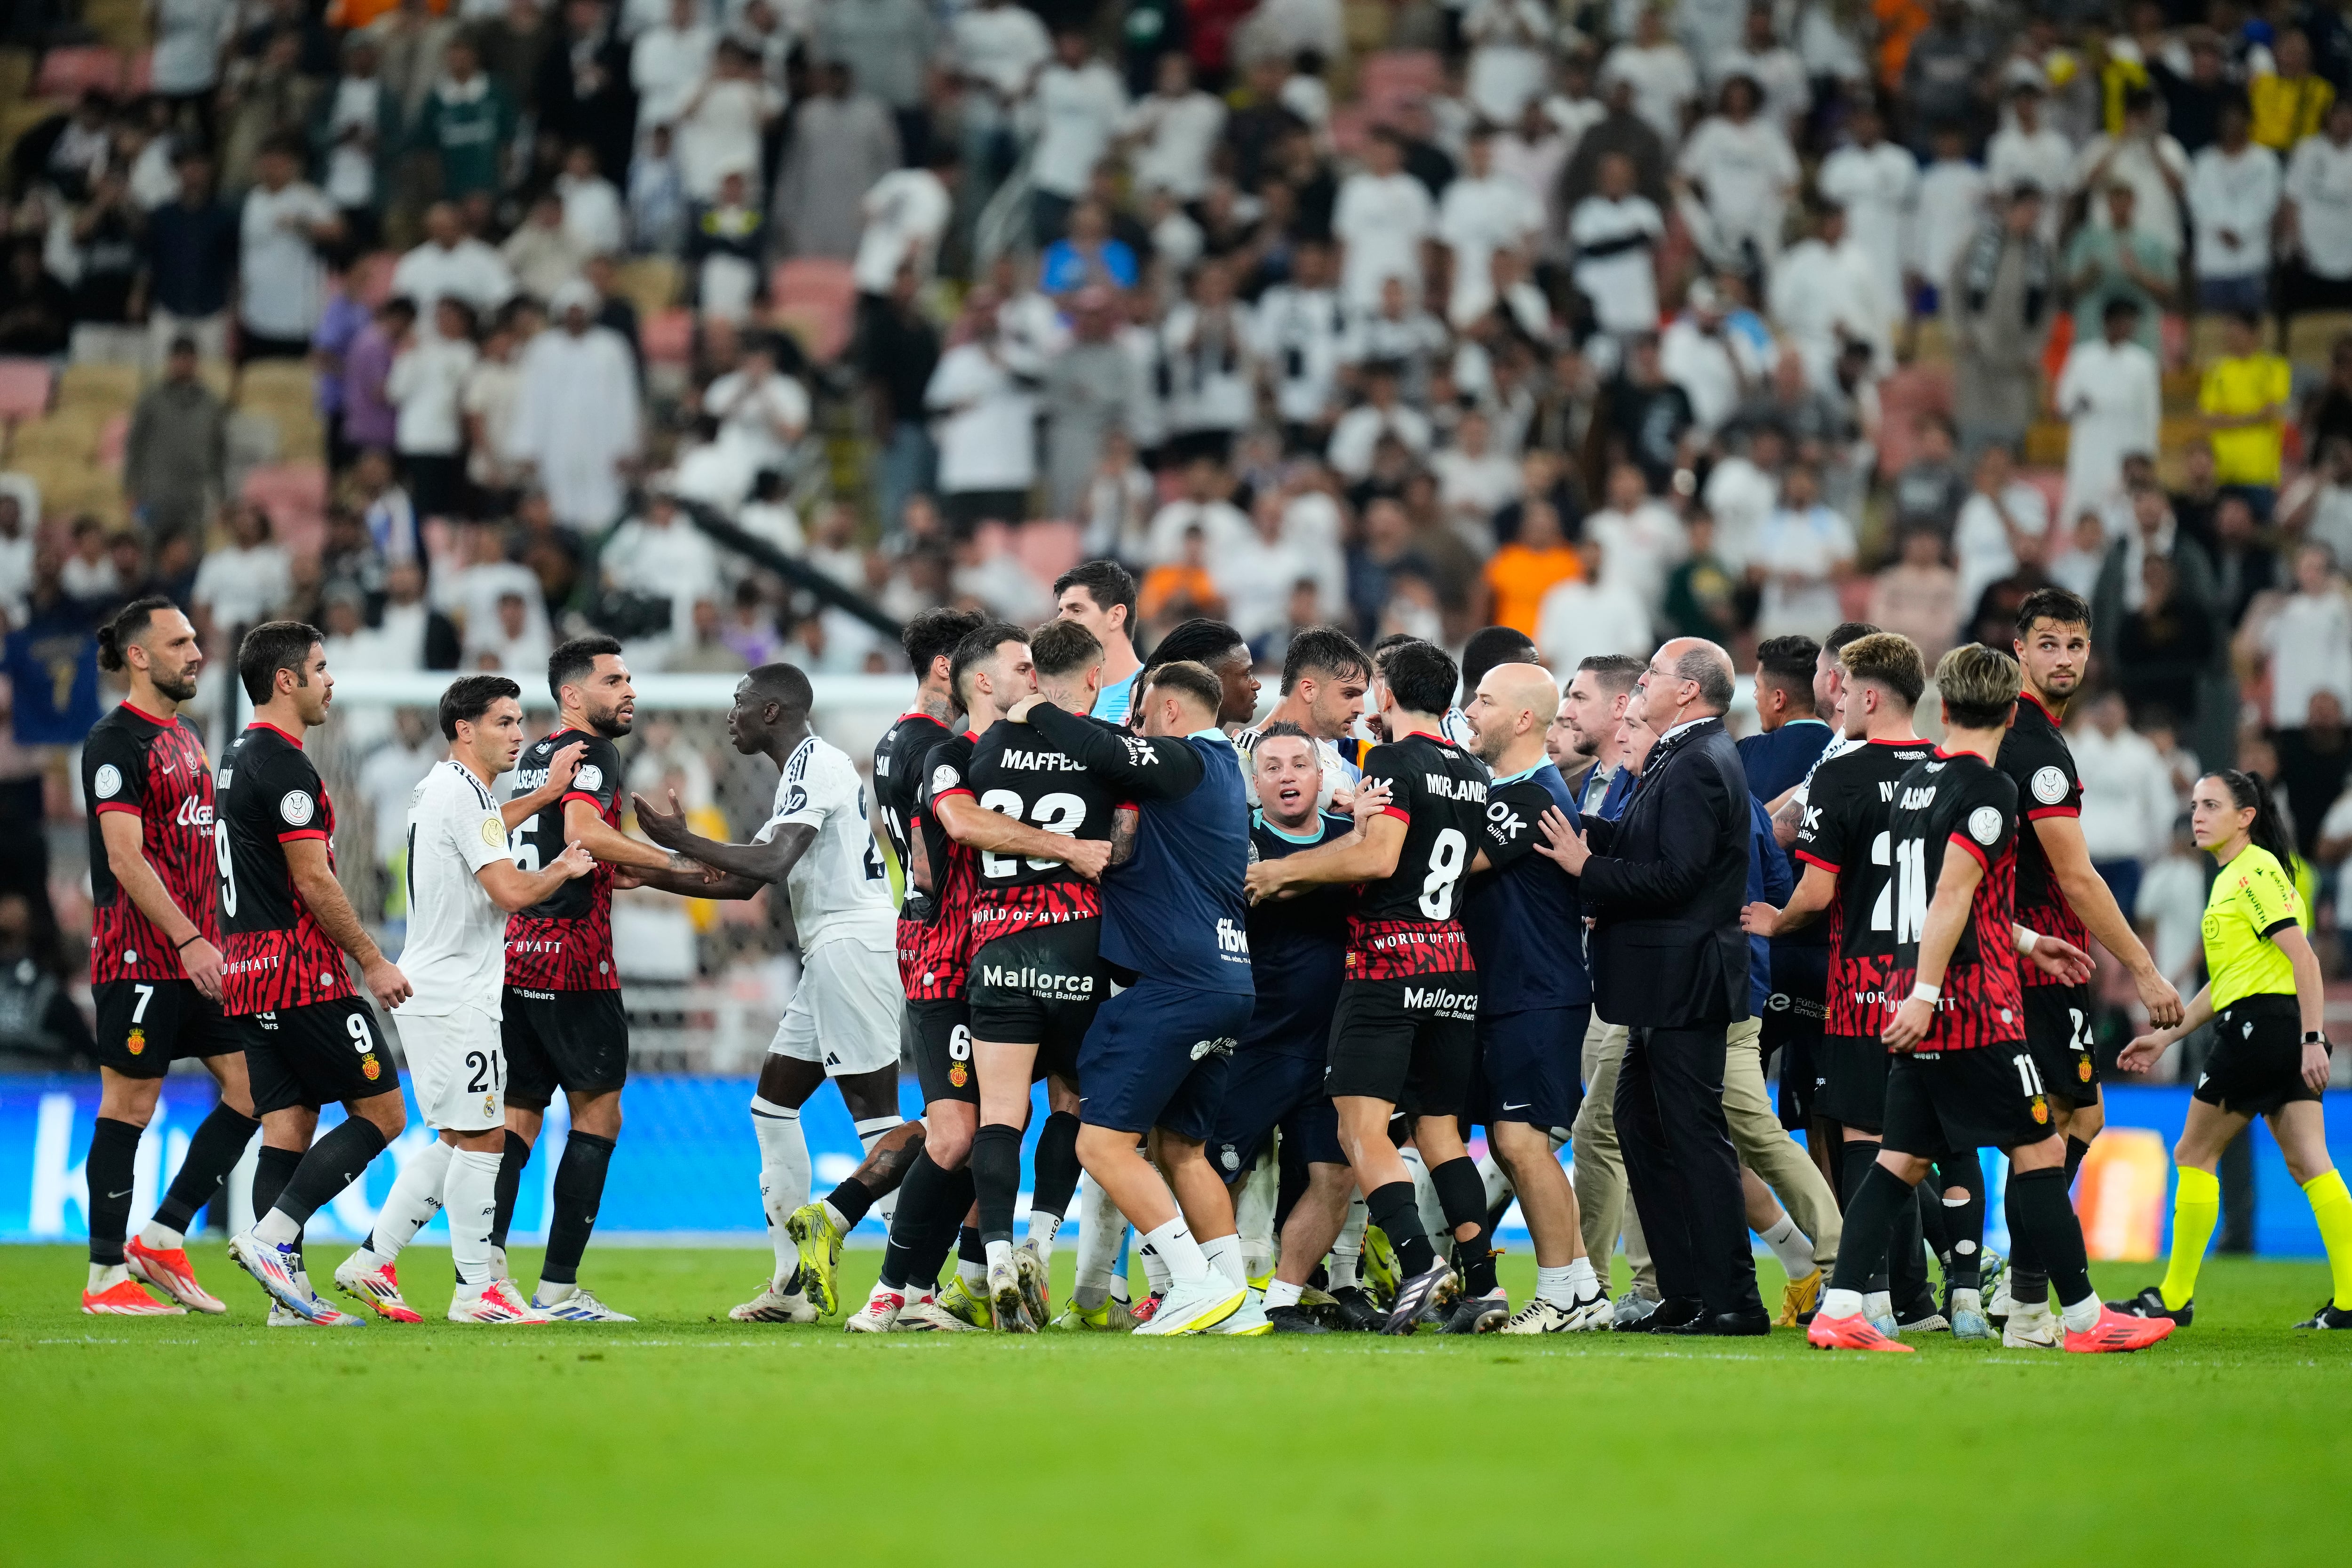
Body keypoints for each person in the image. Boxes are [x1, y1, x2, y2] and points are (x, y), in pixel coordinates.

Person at [1805, 644, 2177, 1356]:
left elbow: (1942, 894)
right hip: (1974, 1009)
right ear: (2012, 711)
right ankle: (2086, 1318)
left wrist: (2031, 942)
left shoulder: (1917, 782)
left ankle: (1842, 1307)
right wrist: (1930, 992)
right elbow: (1950, 893)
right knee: (2040, 1151)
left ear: (1943, 707)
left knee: (1898, 1163)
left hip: (1913, 1001)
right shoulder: (1990, 790)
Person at [1244, 639, 1496, 1333]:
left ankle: (1420, 1266)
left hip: (1389, 965)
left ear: (1387, 691)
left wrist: (1284, 873)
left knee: (1359, 1130)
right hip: (1453, 963)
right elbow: (1455, 857)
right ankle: (1485, 1284)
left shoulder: (1391, 759)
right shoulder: (1472, 769)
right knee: (1441, 1134)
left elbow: (1381, 856)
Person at [328, 676, 596, 1325]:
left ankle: (372, 1260)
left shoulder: (448, 788)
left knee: (456, 1138)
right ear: (465, 729)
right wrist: (564, 866)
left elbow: (485, 830)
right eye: (504, 722)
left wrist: (546, 794)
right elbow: (508, 890)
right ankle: (477, 1291)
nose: (518, 733)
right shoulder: (462, 792)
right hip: (455, 994)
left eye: (518, 720)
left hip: (439, 987)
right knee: (485, 1139)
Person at [1017, 653, 1262, 1336]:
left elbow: (1104, 749)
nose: (1136, 723)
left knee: (1102, 1146)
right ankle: (1235, 1302)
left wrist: (1034, 706)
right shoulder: (1221, 777)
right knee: (1181, 1149)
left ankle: (1190, 1284)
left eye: (1145, 711)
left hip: (1174, 983)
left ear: (1172, 712)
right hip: (1227, 977)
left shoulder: (1185, 761)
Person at [1535, 638, 1763, 1335]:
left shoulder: (1696, 762)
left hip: (1683, 979)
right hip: (1664, 982)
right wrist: (1589, 835)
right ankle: (1687, 1291)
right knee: (1640, 1122)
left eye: (1655, 677)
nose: (1641, 689)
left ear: (1688, 691)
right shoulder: (1686, 753)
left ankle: (1733, 1299)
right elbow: (1650, 845)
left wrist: (1586, 868)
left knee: (1694, 1135)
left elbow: (1678, 877)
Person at [1993, 587, 2185, 1337]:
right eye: (2049, 644)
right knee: (2052, 1126)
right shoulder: (2035, 746)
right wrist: (2143, 967)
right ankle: (2030, 1298)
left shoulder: (2024, 731)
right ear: (2020, 649)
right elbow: (2076, 875)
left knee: (2072, 1118)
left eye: (2075, 645)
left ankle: (2013, 1289)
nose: (2064, 659)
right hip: (2041, 958)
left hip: (2032, 953)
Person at [220, 623, 414, 1326]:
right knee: (385, 1113)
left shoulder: (234, 758)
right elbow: (313, 880)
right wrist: (372, 958)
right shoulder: (284, 766)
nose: (331, 681)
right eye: (321, 668)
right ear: (286, 680)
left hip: (246, 969)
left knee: (289, 1125)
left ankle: (288, 1300)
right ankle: (273, 1240)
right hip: (302, 975)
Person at [2111, 769, 2352, 1331]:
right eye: (2194, 804)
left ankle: (2174, 1298)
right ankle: (2347, 1302)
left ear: (2245, 817)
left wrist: (2313, 1040)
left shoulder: (2253, 874)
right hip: (2270, 1024)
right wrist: (2167, 1034)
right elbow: (2226, 983)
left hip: (2259, 1030)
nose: (2197, 814)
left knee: (2193, 1154)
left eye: (2211, 805)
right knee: (2308, 1162)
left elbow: (2306, 960)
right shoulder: (2233, 877)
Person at [488, 636, 685, 1322]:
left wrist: (613, 866)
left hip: (519, 952)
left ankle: (487, 1279)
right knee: (598, 1115)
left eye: (630, 678)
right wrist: (673, 863)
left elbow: (563, 843)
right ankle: (559, 1290)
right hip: (575, 958)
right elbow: (583, 832)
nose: (629, 690)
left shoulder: (539, 754)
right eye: (613, 680)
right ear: (574, 696)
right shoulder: (593, 751)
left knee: (518, 1120)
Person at [75, 600, 255, 1317]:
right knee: (130, 1104)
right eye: (179, 642)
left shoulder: (185, 738)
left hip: (200, 957)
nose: (197, 652)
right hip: (142, 954)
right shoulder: (115, 741)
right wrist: (188, 938)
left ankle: (162, 1236)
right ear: (139, 656)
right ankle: (102, 1278)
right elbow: (124, 857)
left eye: (195, 640)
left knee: (253, 1090)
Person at [942, 625, 1119, 1330]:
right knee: (1070, 1103)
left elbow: (965, 823)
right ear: (1092, 681)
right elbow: (1122, 848)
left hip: (1001, 946)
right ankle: (1043, 1244)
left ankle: (996, 1255)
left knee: (999, 1115)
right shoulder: (1101, 754)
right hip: (1080, 945)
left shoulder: (985, 751)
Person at [1460, 662, 1613, 1333]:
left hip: (1538, 993)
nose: (1470, 709)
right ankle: (1582, 1287)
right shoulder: (1508, 790)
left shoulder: (1533, 797)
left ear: (1525, 719)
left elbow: (1453, 861)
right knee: (1510, 1142)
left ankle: (1561, 1295)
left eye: (1485, 700)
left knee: (1523, 1143)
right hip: (1513, 991)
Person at [1210, 724, 1367, 1333]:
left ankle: (1280, 1296)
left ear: (1320, 775)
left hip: (1330, 1041)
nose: (1286, 776)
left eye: (1298, 764)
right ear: (1255, 784)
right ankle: (1213, 1293)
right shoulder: (1237, 841)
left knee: (1336, 1174)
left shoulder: (1354, 838)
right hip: (1251, 1040)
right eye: (1271, 767)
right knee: (1221, 1169)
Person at [1737, 633, 1830, 801]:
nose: (1755, 695)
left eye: (1758, 687)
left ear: (1779, 699)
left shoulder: (1743, 755)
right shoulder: (1847, 750)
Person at [1053, 559, 1144, 723]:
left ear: (1116, 617)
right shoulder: (1053, 698)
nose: (1060, 621)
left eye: (1076, 610)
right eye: (1061, 611)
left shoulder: (1149, 695)